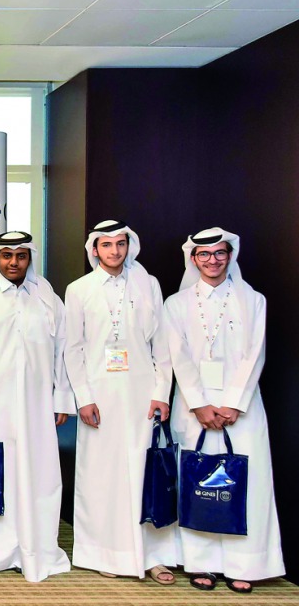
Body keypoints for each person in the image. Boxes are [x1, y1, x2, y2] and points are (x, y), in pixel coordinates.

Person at [163, 228, 284, 593]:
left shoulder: (253, 300)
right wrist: (200, 404)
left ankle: (243, 564)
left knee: (245, 482)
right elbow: (178, 355)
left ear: (230, 256)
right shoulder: (176, 304)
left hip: (241, 408)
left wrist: (232, 402)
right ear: (193, 259)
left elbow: (255, 353)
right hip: (193, 408)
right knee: (197, 480)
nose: (212, 260)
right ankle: (201, 563)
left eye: (219, 253)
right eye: (204, 254)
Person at [0, 230, 73, 583]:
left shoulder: (47, 298)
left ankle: (34, 547)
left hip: (37, 406)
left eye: (21, 255)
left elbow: (63, 352)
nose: (14, 262)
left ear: (29, 258)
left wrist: (61, 399)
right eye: (7, 255)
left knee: (38, 474)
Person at [64, 221, 178, 584]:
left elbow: (162, 344)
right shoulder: (79, 289)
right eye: (107, 245)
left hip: (142, 393)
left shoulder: (148, 284)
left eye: (120, 244)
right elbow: (72, 349)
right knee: (103, 476)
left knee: (146, 472)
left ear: (130, 247)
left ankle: (153, 556)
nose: (114, 251)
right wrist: (83, 398)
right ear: (94, 250)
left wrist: (162, 392)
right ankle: (106, 553)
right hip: (100, 397)